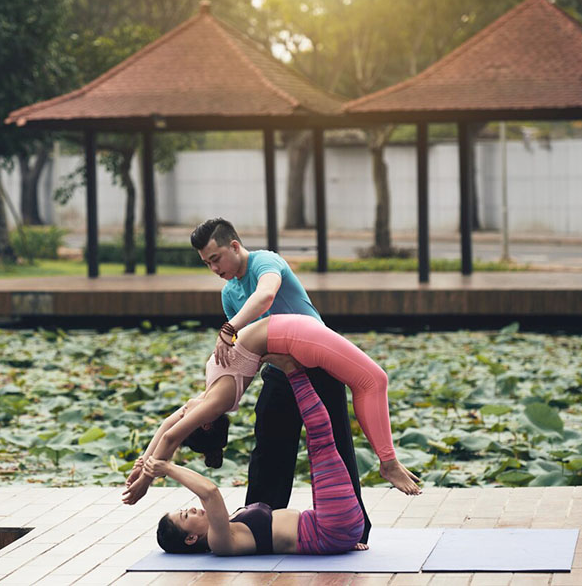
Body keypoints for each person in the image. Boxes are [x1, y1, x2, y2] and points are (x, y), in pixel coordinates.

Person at [190, 217, 374, 547]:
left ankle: (357, 529)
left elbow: (265, 296)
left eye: (216, 258)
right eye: (206, 263)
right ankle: (255, 523)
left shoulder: (266, 261)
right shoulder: (230, 293)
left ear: (234, 246)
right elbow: (249, 351)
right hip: (279, 370)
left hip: (320, 365)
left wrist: (230, 327)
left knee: (335, 445)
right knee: (268, 446)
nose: (213, 268)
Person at [121, 313, 420, 508]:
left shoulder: (207, 394)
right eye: (189, 416)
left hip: (292, 331)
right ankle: (388, 463)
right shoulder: (218, 401)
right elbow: (172, 437)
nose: (184, 409)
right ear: (206, 424)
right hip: (296, 335)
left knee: (371, 381)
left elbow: (166, 428)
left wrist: (142, 464)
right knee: (373, 380)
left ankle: (388, 462)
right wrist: (148, 481)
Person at [149, 352, 417, 556]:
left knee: (321, 439)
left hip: (333, 527)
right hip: (331, 528)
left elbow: (206, 495)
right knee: (321, 439)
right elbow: (210, 492)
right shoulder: (220, 541)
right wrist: (166, 467)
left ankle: (292, 371)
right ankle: (291, 370)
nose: (194, 508)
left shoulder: (226, 525)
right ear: (190, 539)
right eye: (186, 516)